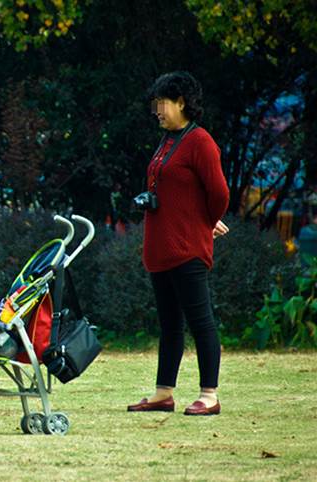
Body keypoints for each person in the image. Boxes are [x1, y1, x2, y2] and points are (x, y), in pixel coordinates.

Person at [128, 71, 230, 416]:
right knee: (170, 324)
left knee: (201, 321)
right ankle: (163, 393)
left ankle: (209, 395)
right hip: (160, 248)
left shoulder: (200, 141)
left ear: (182, 102)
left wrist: (205, 222)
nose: (157, 109)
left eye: (163, 102)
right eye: (155, 103)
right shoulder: (168, 140)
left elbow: (219, 193)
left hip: (187, 248)